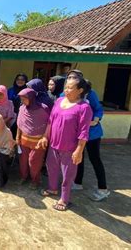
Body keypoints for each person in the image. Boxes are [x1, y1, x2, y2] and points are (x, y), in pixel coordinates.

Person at [37, 76, 92, 211]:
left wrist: (79, 150)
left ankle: (64, 199)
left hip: (70, 148)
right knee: (51, 168)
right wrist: (45, 137)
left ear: (80, 90)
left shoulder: (84, 108)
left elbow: (84, 132)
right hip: (53, 145)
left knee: (68, 175)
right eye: (66, 87)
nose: (66, 90)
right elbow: (51, 120)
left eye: (70, 87)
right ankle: (52, 189)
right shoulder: (59, 101)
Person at [66, 73, 110, 201]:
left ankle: (103, 189)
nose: (70, 80)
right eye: (69, 78)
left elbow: (98, 109)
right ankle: (78, 183)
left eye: (73, 78)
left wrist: (95, 120)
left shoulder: (90, 93)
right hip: (77, 133)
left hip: (92, 134)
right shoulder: (68, 95)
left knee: (95, 159)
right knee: (79, 158)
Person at [16, 88, 51, 189]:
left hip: (38, 141)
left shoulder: (43, 108)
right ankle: (23, 176)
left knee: (34, 162)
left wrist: (45, 137)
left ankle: (35, 180)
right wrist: (17, 137)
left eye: (24, 99)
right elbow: (19, 123)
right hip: (24, 139)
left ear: (31, 98)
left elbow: (49, 123)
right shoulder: (22, 108)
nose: (22, 101)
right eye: (21, 99)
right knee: (23, 160)